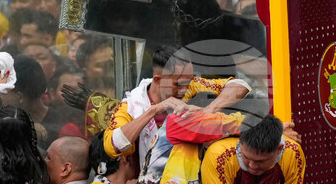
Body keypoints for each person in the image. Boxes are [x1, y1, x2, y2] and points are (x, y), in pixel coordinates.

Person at [103, 44, 250, 168]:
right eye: (178, 85)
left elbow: (240, 85)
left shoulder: (191, 86)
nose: (185, 90)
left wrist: (209, 110)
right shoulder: (131, 107)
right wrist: (154, 110)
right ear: (158, 80)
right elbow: (112, 146)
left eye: (189, 81)